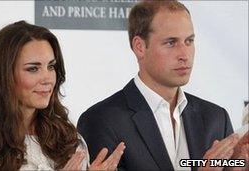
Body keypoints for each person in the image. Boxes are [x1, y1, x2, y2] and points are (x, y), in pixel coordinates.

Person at [77, 1, 248, 171]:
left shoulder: (216, 119)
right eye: (171, 43)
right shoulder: (101, 121)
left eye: (189, 41)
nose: (184, 54)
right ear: (140, 47)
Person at [0, 21, 125, 171]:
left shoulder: (71, 140)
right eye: (33, 69)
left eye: (51, 67)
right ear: (4, 76)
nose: (47, 78)